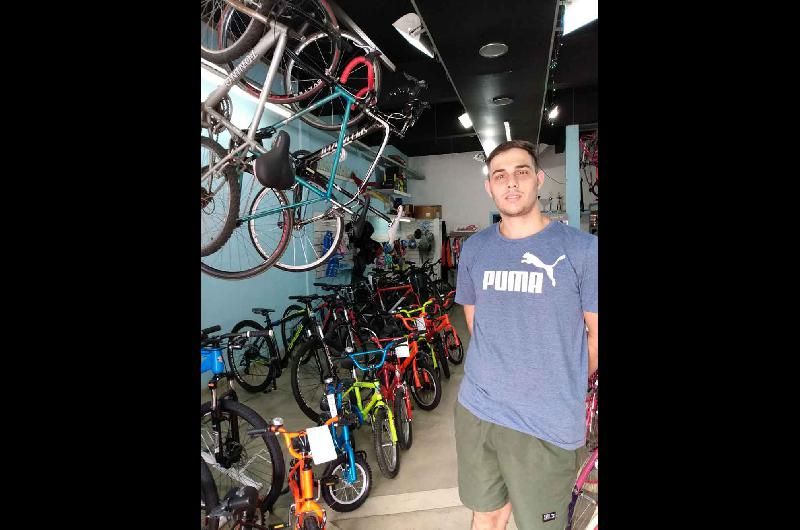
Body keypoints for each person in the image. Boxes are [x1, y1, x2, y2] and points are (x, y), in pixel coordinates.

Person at [454, 140, 598, 530]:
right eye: (500, 175)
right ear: (489, 187)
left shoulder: (583, 250)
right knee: (486, 515)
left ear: (538, 179)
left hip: (545, 422)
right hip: (478, 410)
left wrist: (558, 382)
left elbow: (596, 339)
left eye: (521, 172)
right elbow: (476, 325)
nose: (511, 182)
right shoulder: (475, 249)